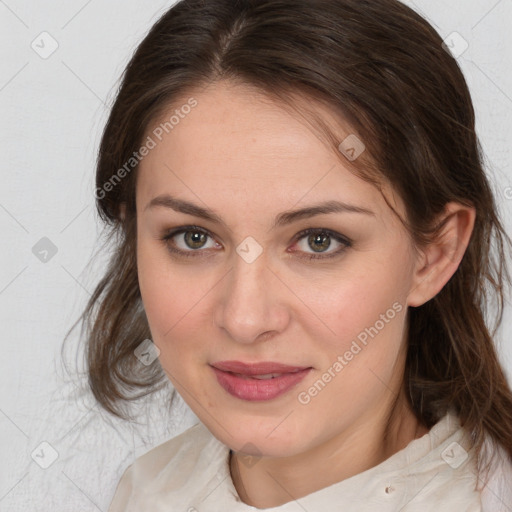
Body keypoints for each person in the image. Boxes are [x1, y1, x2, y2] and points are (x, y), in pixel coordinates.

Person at [78, 0, 512, 509]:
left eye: (319, 241)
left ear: (434, 254)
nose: (245, 318)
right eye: (193, 237)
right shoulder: (146, 492)